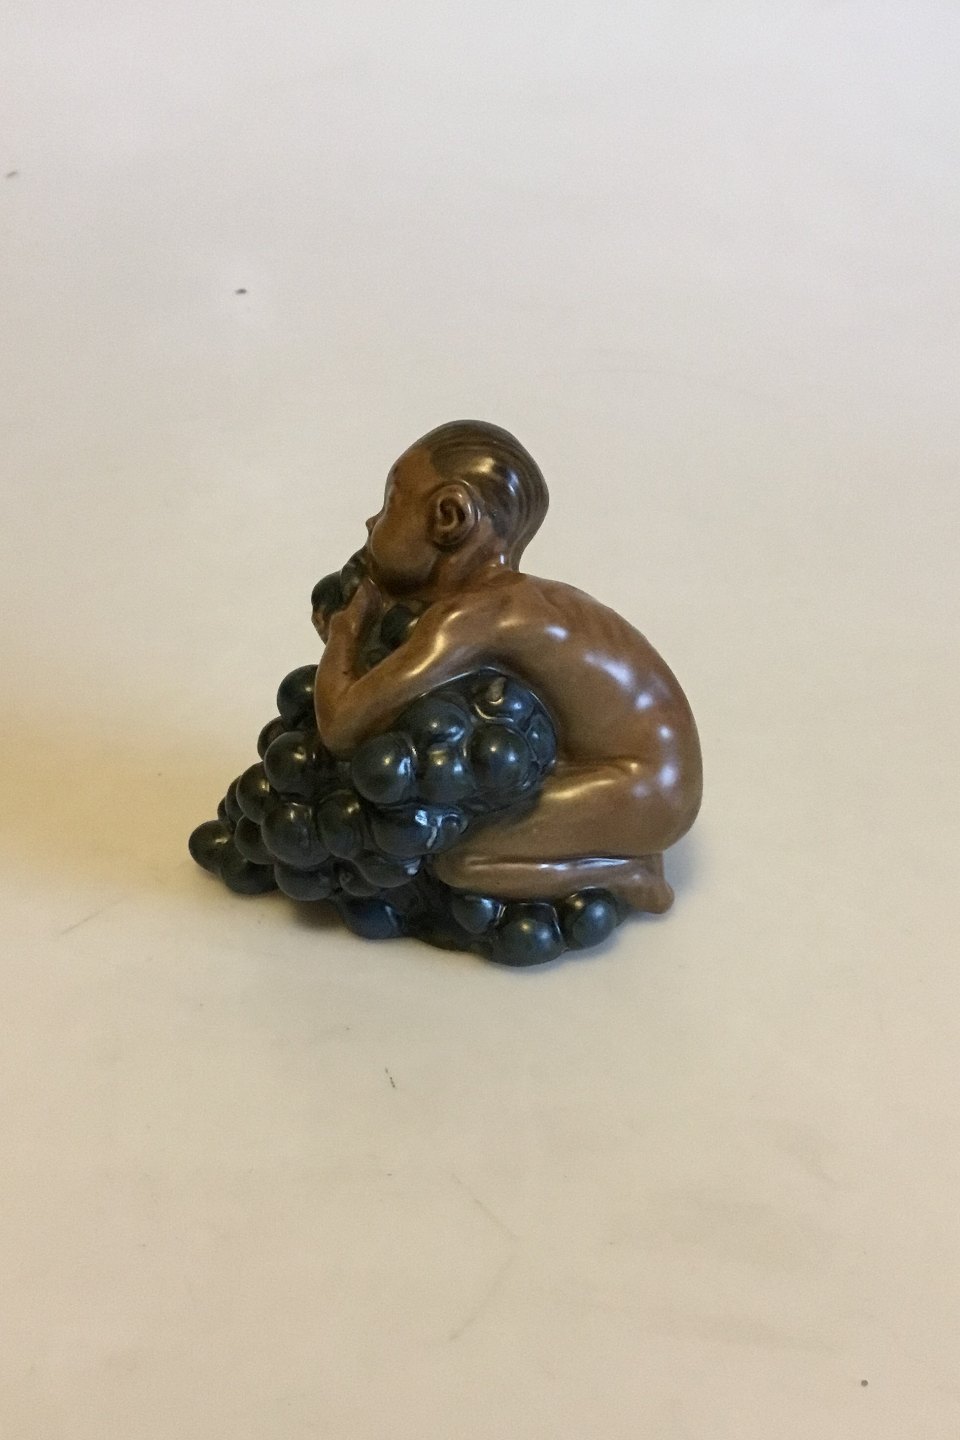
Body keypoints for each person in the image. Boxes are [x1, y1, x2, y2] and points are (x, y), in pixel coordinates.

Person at [313, 421, 702, 912]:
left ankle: (623, 872)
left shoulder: (475, 617)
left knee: (461, 862)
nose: (372, 521)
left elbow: (341, 726)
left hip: (648, 790)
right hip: (661, 775)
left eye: (391, 503)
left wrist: (346, 630)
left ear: (449, 517)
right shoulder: (518, 599)